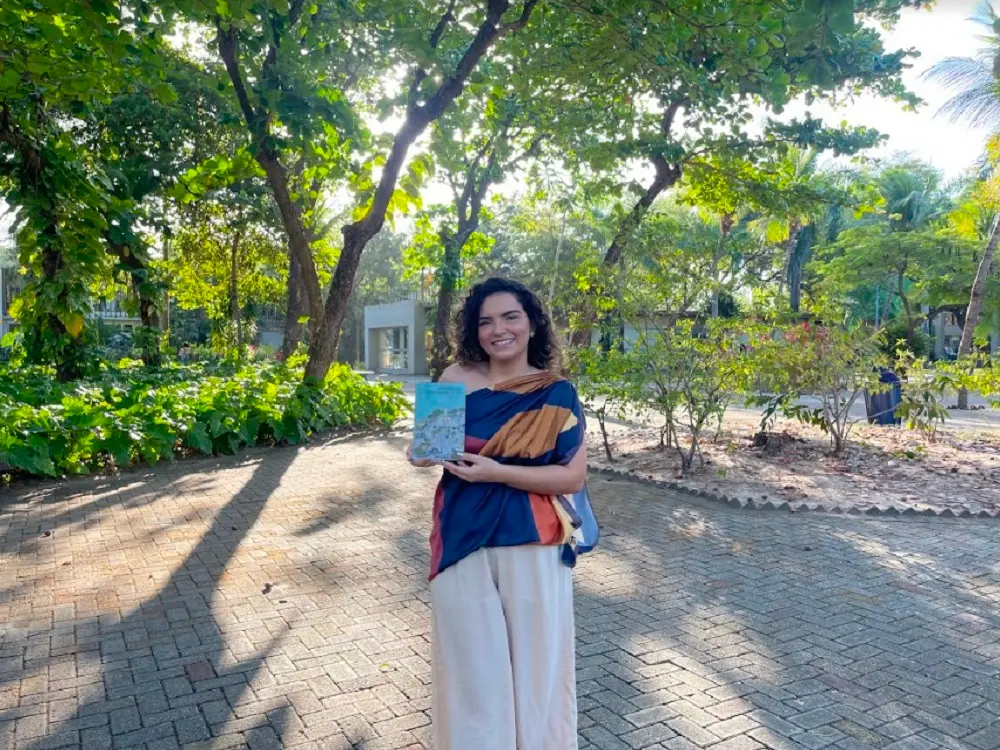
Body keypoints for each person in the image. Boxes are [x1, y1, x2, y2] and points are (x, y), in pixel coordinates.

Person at [409, 277, 586, 750]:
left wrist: (498, 472)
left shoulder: (556, 392)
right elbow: (432, 448)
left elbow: (571, 478)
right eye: (485, 321)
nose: (498, 329)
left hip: (532, 540)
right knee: (471, 673)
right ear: (474, 329)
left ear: (532, 324)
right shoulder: (454, 378)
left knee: (537, 671)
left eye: (510, 317)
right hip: (460, 537)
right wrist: (422, 453)